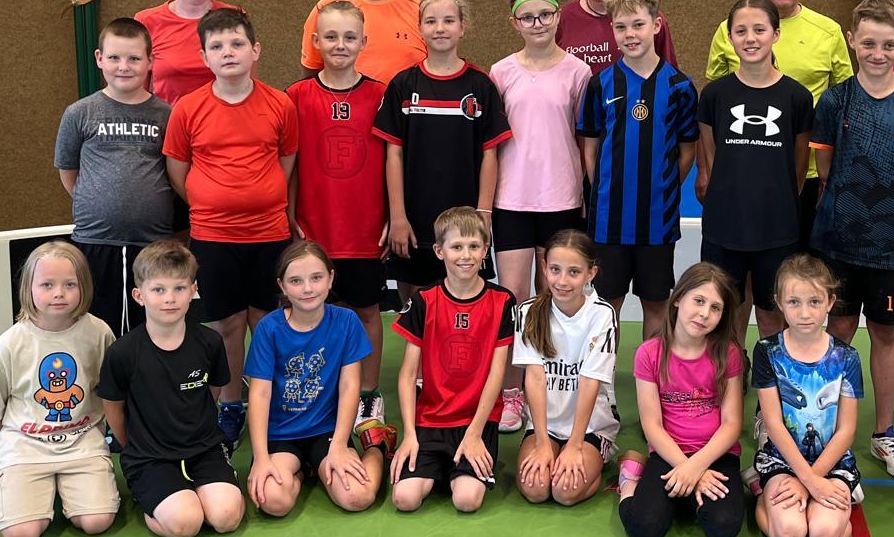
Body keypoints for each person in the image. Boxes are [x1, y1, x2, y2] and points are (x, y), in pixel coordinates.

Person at [810, 0, 894, 483]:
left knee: (885, 333)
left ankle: (883, 432)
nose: (877, 53)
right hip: (838, 242)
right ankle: (824, 425)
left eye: (888, 44)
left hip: (892, 245)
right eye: (868, 43)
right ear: (852, 41)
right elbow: (825, 172)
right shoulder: (834, 101)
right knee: (838, 331)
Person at [163, 8, 299, 447]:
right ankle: (231, 405)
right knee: (226, 326)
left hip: (269, 234)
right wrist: (210, 202)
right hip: (213, 237)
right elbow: (178, 170)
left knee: (268, 322)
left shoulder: (280, 104)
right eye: (217, 46)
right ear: (204, 57)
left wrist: (260, 198)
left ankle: (274, 402)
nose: (228, 52)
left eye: (237, 43)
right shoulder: (188, 108)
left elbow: (286, 163)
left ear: (255, 50)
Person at [705, 0, 853, 248]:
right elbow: (713, 110)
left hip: (807, 178)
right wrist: (707, 172)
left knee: (796, 271)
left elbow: (843, 108)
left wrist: (830, 174)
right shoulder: (726, 30)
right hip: (739, 176)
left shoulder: (829, 32)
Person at [490, 0, 592, 432]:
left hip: (561, 199)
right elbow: (491, 143)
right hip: (512, 199)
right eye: (527, 17)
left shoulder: (578, 73)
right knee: (514, 299)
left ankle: (550, 389)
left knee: (553, 297)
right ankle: (513, 393)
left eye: (545, 15)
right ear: (514, 22)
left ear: (557, 17)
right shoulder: (501, 72)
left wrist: (587, 192)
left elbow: (585, 139)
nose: (537, 24)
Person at [0, 241, 119, 537]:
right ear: (29, 288)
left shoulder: (99, 333)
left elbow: (109, 392)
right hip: (26, 447)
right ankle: (33, 492)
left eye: (70, 284)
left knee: (96, 522)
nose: (58, 293)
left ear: (84, 286)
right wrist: (24, 439)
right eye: (47, 285)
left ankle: (69, 488)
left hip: (82, 443)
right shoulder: (9, 344)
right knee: (20, 536)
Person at [287, 1, 391, 427]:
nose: (340, 44)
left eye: (349, 37)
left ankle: (368, 393)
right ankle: (324, 389)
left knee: (367, 311)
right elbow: (290, 164)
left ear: (364, 41)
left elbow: (394, 161)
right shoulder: (296, 96)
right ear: (315, 42)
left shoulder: (381, 94)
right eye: (330, 37)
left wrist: (393, 215)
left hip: (366, 228)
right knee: (316, 313)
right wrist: (289, 214)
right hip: (314, 229)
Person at [97, 240, 244, 537]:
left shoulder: (209, 342)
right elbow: (112, 408)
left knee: (226, 518)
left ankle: (195, 492)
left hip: (204, 448)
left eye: (179, 288)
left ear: (193, 290)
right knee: (186, 524)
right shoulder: (122, 353)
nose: (170, 298)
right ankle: (154, 501)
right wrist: (135, 445)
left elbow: (214, 390)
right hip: (150, 457)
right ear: (139, 295)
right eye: (158, 289)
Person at [577, 0, 699, 340]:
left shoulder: (679, 86)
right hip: (609, 218)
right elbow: (590, 146)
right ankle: (604, 372)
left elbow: (687, 150)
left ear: (656, 25)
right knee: (606, 302)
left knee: (656, 302)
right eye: (621, 26)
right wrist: (603, 189)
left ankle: (651, 369)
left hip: (657, 218)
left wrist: (663, 187)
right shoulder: (600, 84)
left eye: (638, 24)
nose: (630, 34)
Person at [374, 0, 511, 298]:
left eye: (449, 21)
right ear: (419, 28)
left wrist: (484, 213)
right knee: (415, 306)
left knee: (464, 300)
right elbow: (393, 154)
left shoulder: (480, 85)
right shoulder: (403, 84)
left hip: (466, 220)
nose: (440, 28)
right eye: (431, 21)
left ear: (462, 27)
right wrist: (397, 216)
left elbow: (490, 154)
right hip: (414, 222)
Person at [695, 0, 813, 341]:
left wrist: (777, 204)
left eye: (759, 30)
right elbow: (711, 157)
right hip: (725, 224)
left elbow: (798, 166)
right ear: (730, 37)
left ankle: (768, 371)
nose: (750, 38)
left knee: (772, 311)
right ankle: (731, 368)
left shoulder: (797, 97)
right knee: (724, 308)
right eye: (741, 31)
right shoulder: (715, 95)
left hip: (777, 227)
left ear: (776, 34)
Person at [389, 207, 516, 514]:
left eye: (474, 246)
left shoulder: (502, 301)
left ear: (485, 250)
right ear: (439, 251)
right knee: (404, 499)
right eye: (456, 246)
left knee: (466, 500)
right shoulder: (423, 300)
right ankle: (443, 467)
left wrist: (475, 432)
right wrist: (409, 435)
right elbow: (408, 375)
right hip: (431, 418)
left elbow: (496, 374)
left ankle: (462, 468)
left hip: (477, 420)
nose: (466, 255)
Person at [244, 240, 384, 517]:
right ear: (282, 286)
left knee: (357, 497)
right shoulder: (269, 328)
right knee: (273, 502)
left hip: (328, 431)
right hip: (281, 434)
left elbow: (350, 386)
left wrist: (340, 445)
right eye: (296, 281)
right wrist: (260, 459)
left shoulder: (346, 321)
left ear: (330, 278)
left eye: (316, 278)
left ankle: (378, 446)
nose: (307, 288)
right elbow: (259, 394)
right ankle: (305, 470)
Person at [55, 17, 174, 336]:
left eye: (134, 58)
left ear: (150, 61)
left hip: (152, 242)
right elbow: (68, 171)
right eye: (114, 57)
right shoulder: (79, 113)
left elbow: (174, 172)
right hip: (95, 241)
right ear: (99, 59)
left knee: (152, 330)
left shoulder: (166, 115)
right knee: (96, 330)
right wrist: (97, 202)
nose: (124, 66)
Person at [615, 262, 745, 537]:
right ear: (677, 299)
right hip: (669, 451)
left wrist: (695, 467)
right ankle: (629, 481)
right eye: (698, 301)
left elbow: (732, 423)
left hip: (716, 453)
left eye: (715, 308)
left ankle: (687, 497)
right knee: (643, 528)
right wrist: (686, 467)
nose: (704, 313)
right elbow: (652, 424)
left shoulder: (728, 353)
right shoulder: (649, 353)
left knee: (723, 529)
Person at [749, 254, 863, 537]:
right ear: (779, 302)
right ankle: (761, 494)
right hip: (782, 459)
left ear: (830, 302)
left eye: (814, 302)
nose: (804, 313)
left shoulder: (847, 358)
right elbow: (773, 423)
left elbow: (846, 430)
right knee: (789, 534)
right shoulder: (767, 351)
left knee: (824, 535)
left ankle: (835, 501)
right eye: (794, 302)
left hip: (832, 462)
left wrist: (810, 481)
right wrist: (807, 480)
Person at [513, 231, 621, 507]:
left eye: (574, 272)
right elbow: (535, 379)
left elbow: (589, 381)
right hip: (544, 424)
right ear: (544, 267)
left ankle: (603, 466)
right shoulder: (528, 312)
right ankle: (552, 449)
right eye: (555, 270)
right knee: (536, 489)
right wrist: (541, 443)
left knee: (564, 491)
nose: (562, 281)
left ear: (590, 274)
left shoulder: (601, 314)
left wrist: (574, 445)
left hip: (590, 426)